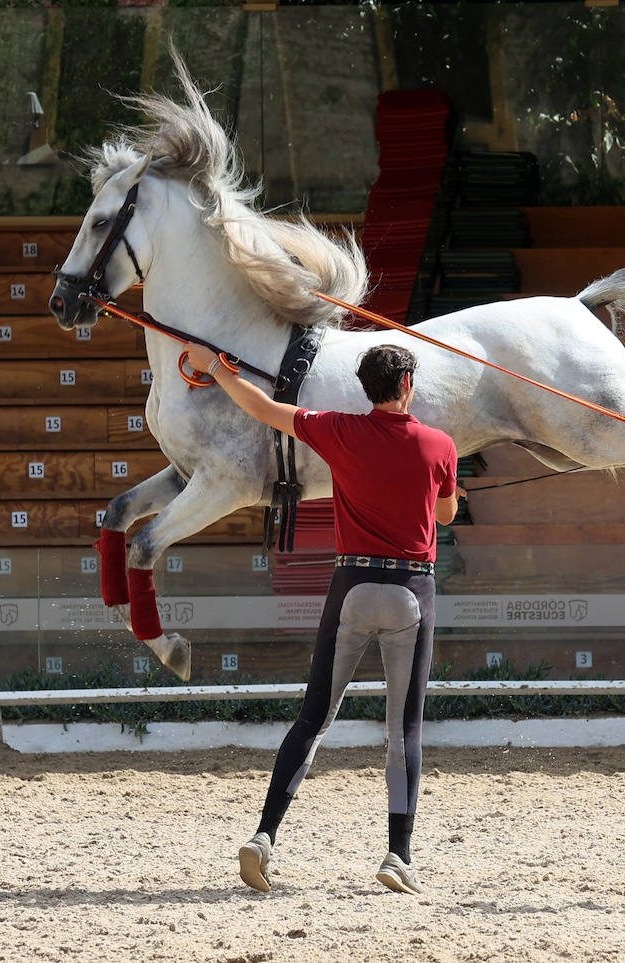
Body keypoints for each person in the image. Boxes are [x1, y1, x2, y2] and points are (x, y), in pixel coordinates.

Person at [185, 340, 460, 895]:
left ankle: (264, 837)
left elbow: (262, 407)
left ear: (368, 388)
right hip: (411, 589)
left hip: (352, 584)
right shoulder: (440, 444)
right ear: (406, 385)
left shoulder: (338, 429)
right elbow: (447, 513)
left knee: (314, 718)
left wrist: (215, 366)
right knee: (403, 730)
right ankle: (397, 854)